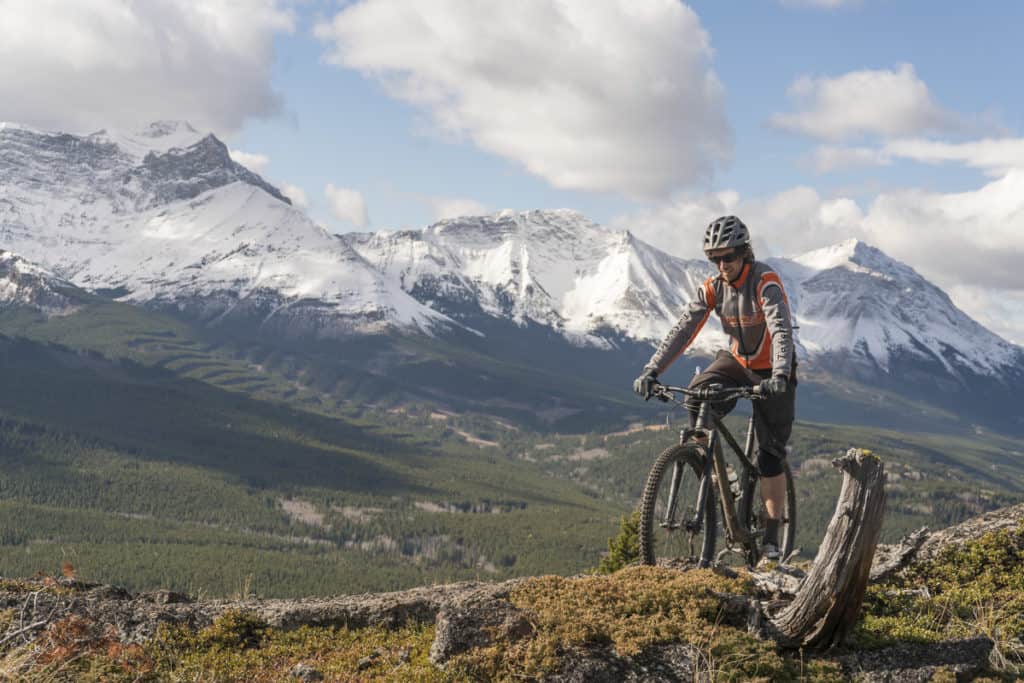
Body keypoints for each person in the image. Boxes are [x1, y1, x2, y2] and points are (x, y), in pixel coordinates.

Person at [632, 215, 797, 560]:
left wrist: (780, 373)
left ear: (745, 253)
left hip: (772, 370)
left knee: (769, 456)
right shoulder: (713, 287)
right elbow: (684, 329)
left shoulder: (765, 282)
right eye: (715, 258)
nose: (722, 265)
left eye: (729, 257)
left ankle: (769, 539)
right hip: (736, 361)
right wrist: (652, 369)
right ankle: (719, 470)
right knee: (697, 393)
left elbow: (781, 330)